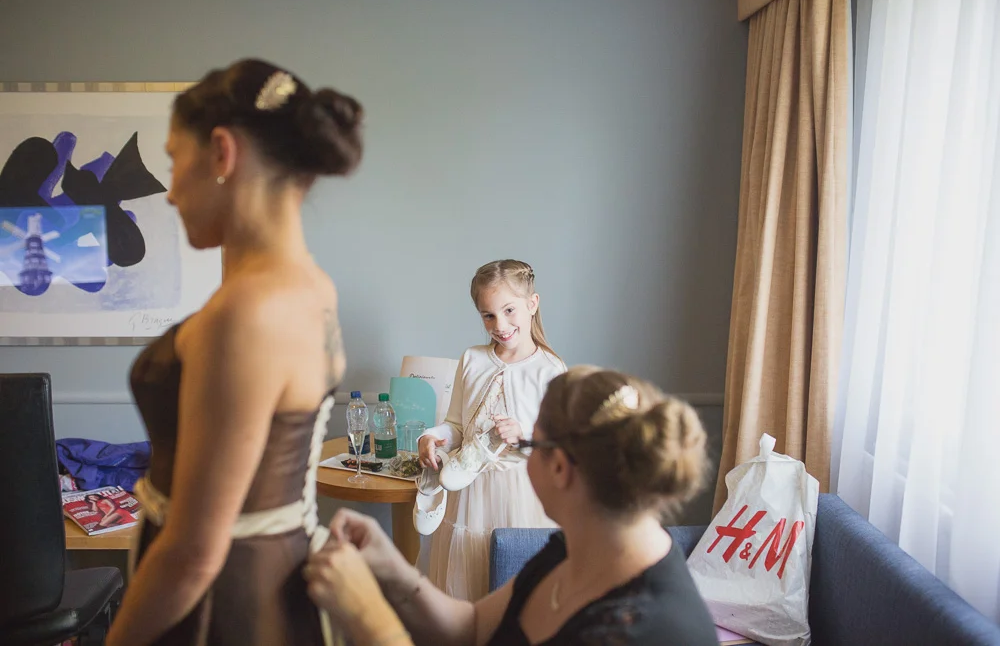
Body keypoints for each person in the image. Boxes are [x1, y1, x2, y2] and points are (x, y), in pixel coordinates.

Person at [106, 58, 364, 646]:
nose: (170, 193)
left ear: (221, 153)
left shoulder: (246, 315)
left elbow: (192, 556)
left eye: (173, 160)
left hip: (219, 610)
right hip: (270, 586)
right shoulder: (310, 286)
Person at [305, 366, 719, 645]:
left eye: (528, 443)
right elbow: (472, 627)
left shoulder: (641, 629)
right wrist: (392, 570)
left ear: (559, 467)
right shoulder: (569, 551)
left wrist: (367, 616)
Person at [417, 259, 566, 601]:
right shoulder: (472, 359)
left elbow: (560, 447)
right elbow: (457, 425)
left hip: (523, 495)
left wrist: (525, 435)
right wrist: (432, 436)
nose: (500, 325)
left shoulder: (550, 369)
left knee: (516, 591)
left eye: (509, 310)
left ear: (532, 304)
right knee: (467, 581)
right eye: (488, 315)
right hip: (468, 491)